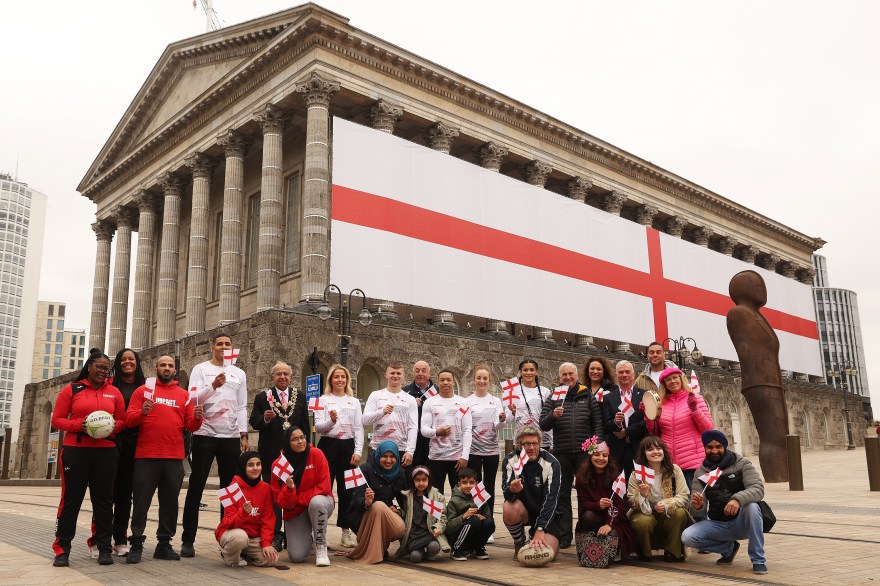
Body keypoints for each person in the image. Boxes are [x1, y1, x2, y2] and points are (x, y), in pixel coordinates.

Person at [124, 355, 203, 564]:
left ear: (175, 371)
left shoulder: (183, 395)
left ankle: (164, 544)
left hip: (174, 458)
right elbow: (128, 420)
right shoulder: (143, 391)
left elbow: (191, 426)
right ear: (156, 367)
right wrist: (142, 412)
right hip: (146, 456)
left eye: (170, 366)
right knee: (141, 503)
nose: (167, 368)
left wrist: (197, 416)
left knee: (169, 504)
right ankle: (137, 542)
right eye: (163, 365)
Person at [50, 349, 125, 567]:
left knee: (103, 502)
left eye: (107, 368)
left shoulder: (114, 393)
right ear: (89, 366)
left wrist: (108, 427)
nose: (103, 371)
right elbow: (57, 420)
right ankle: (62, 549)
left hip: (106, 451)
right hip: (76, 451)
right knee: (70, 501)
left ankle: (103, 548)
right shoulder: (72, 389)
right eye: (99, 367)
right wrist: (81, 426)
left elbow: (122, 421)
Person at [181, 333, 249, 557]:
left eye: (227, 343)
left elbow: (241, 406)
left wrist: (243, 433)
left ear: (232, 347)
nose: (223, 346)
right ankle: (188, 540)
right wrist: (213, 385)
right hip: (205, 434)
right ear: (212, 347)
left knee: (228, 490)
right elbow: (192, 399)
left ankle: (226, 537)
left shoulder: (239, 373)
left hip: (230, 438)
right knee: (196, 486)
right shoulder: (201, 369)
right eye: (219, 344)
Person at [86, 348, 146, 558]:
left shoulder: (146, 387)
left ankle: (120, 538)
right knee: (105, 494)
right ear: (117, 363)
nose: (127, 362)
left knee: (125, 494)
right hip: (112, 442)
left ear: (137, 363)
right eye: (123, 359)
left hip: (136, 444)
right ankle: (98, 540)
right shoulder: (109, 385)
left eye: (131, 359)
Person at [682, 430, 768, 575]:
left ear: (725, 447)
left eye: (718, 447)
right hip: (719, 523)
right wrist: (697, 506)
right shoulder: (700, 473)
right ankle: (728, 548)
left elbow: (758, 489)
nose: (714, 450)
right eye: (710, 447)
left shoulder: (742, 463)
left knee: (752, 507)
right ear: (705, 448)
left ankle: (758, 559)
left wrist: (737, 500)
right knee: (688, 537)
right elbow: (698, 512)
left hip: (743, 522)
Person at [539, 362, 604, 549]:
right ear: (560, 377)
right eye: (564, 375)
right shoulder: (554, 396)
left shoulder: (587, 395)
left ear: (576, 375)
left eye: (571, 374)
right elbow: (543, 424)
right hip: (562, 452)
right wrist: (553, 416)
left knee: (585, 493)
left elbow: (597, 423)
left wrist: (596, 445)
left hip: (585, 453)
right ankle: (565, 535)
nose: (567, 377)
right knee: (562, 495)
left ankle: (583, 532)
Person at [248, 361, 308, 551]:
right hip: (271, 455)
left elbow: (305, 425)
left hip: (295, 457)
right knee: (273, 496)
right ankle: (274, 534)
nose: (282, 377)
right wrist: (265, 418)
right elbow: (254, 422)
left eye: (286, 374)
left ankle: (294, 533)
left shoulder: (300, 397)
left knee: (294, 493)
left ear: (291, 377)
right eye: (278, 374)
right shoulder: (262, 397)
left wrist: (306, 451)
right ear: (272, 377)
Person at [313, 363, 364, 549]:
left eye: (343, 377)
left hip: (348, 447)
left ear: (347, 380)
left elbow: (359, 428)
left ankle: (345, 531)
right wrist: (331, 421)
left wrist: (358, 451)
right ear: (330, 380)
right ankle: (319, 531)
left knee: (347, 492)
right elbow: (318, 427)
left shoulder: (354, 401)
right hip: (328, 446)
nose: (340, 380)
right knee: (323, 489)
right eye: (336, 377)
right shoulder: (322, 399)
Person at [271, 425, 334, 566]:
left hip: (321, 503)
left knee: (317, 503)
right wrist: (289, 489)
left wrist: (298, 498)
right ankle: (309, 538)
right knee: (297, 556)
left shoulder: (317, 454)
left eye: (302, 437)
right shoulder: (279, 465)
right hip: (295, 511)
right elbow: (281, 502)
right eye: (294, 439)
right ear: (287, 443)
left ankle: (320, 545)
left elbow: (324, 487)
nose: (300, 441)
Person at [645, 367, 714, 488]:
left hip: (692, 460)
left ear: (681, 379)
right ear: (664, 384)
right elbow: (655, 432)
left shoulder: (695, 398)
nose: (672, 381)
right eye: (668, 380)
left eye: (675, 377)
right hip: (669, 462)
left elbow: (707, 429)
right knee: (675, 502)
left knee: (694, 501)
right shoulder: (661, 403)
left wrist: (695, 409)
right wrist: (648, 415)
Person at [501, 425, 562, 559]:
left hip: (546, 514)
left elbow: (551, 500)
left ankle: (535, 534)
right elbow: (507, 495)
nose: (531, 448)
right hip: (524, 512)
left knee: (545, 555)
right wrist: (512, 490)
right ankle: (519, 542)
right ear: (518, 445)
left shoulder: (551, 463)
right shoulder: (510, 461)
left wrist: (540, 529)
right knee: (508, 507)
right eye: (527, 444)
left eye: (535, 443)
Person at [627, 436, 689, 562]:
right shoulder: (637, 474)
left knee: (680, 513)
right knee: (642, 521)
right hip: (645, 512)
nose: (655, 452)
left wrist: (667, 503)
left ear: (664, 451)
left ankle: (673, 552)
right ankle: (644, 553)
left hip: (666, 513)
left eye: (658, 448)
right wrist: (642, 495)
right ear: (644, 453)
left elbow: (683, 495)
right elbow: (631, 501)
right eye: (650, 449)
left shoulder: (674, 470)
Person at [574, 438, 635, 562]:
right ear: (590, 457)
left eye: (604, 455)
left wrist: (609, 524)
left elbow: (621, 504)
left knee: (611, 536)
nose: (601, 458)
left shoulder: (616, 476)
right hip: (594, 516)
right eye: (597, 455)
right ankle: (589, 547)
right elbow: (583, 503)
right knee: (587, 516)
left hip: (615, 519)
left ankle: (610, 552)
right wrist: (598, 505)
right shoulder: (581, 478)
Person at [215, 451, 279, 568]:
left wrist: (266, 543)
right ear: (243, 467)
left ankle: (244, 554)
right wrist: (243, 513)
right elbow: (227, 522)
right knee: (240, 538)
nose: (255, 468)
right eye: (250, 465)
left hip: (253, 537)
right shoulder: (233, 488)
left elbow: (268, 518)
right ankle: (228, 555)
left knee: (271, 559)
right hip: (233, 534)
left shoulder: (265, 488)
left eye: (258, 464)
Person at [347, 440, 407, 564]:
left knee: (400, 527)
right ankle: (374, 553)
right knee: (378, 506)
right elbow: (355, 500)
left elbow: (405, 501)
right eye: (384, 456)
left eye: (392, 457)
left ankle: (380, 548)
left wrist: (399, 511)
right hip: (363, 516)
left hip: (384, 515)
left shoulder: (399, 473)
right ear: (378, 455)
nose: (388, 460)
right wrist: (367, 501)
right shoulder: (365, 469)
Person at [465, 365, 505, 527]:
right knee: (476, 487)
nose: (482, 381)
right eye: (479, 378)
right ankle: (477, 519)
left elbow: (498, 426)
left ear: (489, 381)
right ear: (474, 380)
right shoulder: (467, 401)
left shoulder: (495, 401)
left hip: (491, 451)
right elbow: (464, 425)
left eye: (485, 378)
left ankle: (489, 522)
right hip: (473, 450)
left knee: (489, 486)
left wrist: (502, 420)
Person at [421, 369, 473, 493]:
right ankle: (436, 514)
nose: (445, 382)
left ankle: (458, 513)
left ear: (453, 382)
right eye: (442, 380)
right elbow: (423, 429)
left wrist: (465, 456)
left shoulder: (463, 402)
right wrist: (437, 432)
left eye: (448, 380)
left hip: (457, 457)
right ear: (438, 382)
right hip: (436, 456)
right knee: (435, 493)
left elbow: (467, 430)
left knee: (459, 493)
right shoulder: (430, 402)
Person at [363, 362, 418, 467]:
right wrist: (381, 412)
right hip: (378, 448)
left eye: (398, 373)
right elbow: (365, 420)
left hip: (400, 449)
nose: (395, 376)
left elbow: (413, 427)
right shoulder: (375, 395)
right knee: (375, 482)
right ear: (386, 374)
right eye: (392, 373)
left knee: (400, 483)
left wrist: (410, 451)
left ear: (403, 376)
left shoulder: (410, 399)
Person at [602, 360, 648, 481]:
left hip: (639, 448)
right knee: (618, 487)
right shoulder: (608, 398)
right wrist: (616, 423)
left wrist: (626, 432)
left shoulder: (644, 395)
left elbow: (647, 421)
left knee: (640, 485)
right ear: (616, 376)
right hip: (617, 451)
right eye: (621, 372)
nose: (624, 375)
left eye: (627, 371)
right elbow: (606, 424)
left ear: (633, 374)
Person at [397, 466, 449, 562]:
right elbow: (407, 514)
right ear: (413, 481)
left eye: (424, 480)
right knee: (414, 558)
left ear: (429, 480)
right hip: (414, 534)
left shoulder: (436, 496)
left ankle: (430, 552)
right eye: (417, 480)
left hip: (429, 532)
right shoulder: (408, 496)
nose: (421, 483)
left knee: (433, 547)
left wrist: (439, 528)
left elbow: (442, 517)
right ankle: (421, 552)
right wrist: (399, 512)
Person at [446, 467, 495, 561]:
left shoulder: (480, 498)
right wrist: (464, 516)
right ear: (459, 484)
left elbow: (488, 517)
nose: (468, 486)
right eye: (464, 483)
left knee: (489, 522)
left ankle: (477, 548)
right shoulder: (454, 501)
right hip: (457, 537)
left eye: (471, 483)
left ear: (476, 484)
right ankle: (457, 550)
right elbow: (448, 527)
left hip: (474, 535)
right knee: (474, 521)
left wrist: (482, 517)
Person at [507, 359, 552, 450]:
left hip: (542, 441)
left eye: (532, 370)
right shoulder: (512, 390)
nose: (528, 373)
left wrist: (552, 442)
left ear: (536, 372)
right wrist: (513, 412)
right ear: (520, 372)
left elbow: (549, 417)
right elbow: (507, 420)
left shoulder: (545, 391)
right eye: (525, 370)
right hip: (521, 441)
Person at [403, 360, 435, 467]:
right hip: (411, 442)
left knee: (429, 477)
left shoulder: (438, 392)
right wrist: (410, 404)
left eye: (423, 371)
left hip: (432, 443)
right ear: (413, 374)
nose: (420, 373)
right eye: (417, 371)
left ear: (429, 373)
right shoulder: (404, 392)